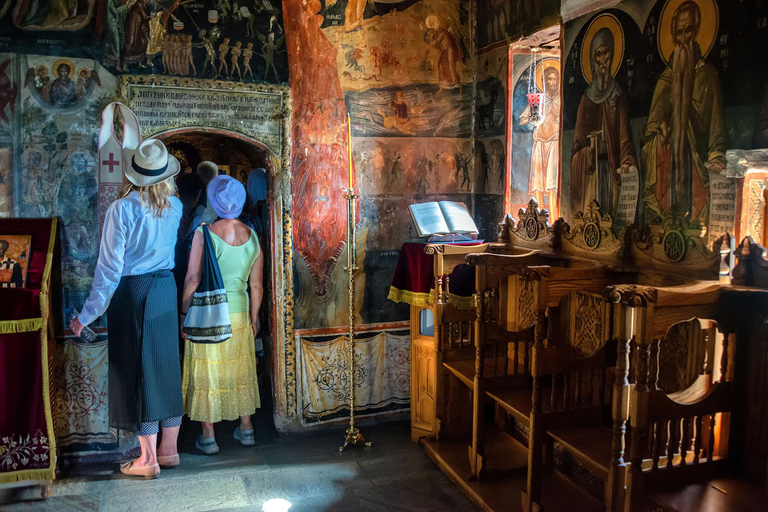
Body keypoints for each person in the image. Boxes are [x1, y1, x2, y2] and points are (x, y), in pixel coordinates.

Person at [70, 139, 183, 479]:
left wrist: (87, 314)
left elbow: (109, 270)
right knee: (164, 368)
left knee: (139, 373)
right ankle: (169, 449)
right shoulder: (175, 206)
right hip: (165, 288)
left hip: (133, 292)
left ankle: (148, 459)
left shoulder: (123, 209)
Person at [181, 175, 264, 454]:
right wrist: (253, 318)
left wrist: (184, 313)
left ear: (214, 201)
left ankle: (208, 437)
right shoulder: (252, 237)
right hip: (241, 314)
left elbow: (193, 277)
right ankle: (247, 429)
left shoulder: (204, 233)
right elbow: (256, 285)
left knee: (209, 372)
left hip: (209, 314)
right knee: (240, 370)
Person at [642, 0, 726, 224]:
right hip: (667, 172)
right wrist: (663, 134)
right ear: (673, 36)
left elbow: (717, 125)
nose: (684, 38)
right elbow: (649, 138)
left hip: (696, 166)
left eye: (689, 30)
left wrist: (716, 154)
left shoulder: (708, 75)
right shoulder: (665, 81)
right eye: (679, 32)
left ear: (697, 31)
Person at [571, 27, 636, 219]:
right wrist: (587, 151)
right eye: (598, 55)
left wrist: (626, 160)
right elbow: (576, 145)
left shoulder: (618, 95)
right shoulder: (586, 99)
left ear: (613, 55)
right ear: (593, 60)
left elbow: (626, 136)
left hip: (613, 166)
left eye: (607, 53)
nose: (603, 60)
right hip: (593, 173)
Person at [521, 66, 560, 218]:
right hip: (539, 142)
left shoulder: (560, 99)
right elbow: (522, 120)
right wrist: (534, 118)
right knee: (538, 182)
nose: (552, 82)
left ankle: (554, 218)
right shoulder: (538, 100)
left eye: (555, 79)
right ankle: (539, 217)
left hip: (553, 142)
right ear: (544, 82)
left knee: (551, 181)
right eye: (549, 79)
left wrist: (556, 115)